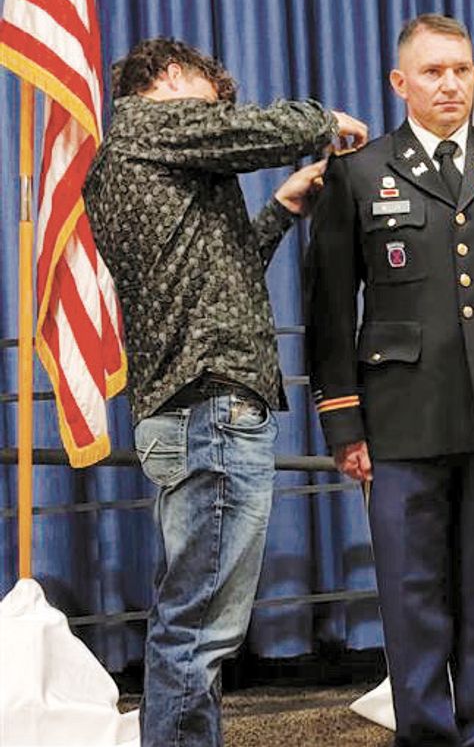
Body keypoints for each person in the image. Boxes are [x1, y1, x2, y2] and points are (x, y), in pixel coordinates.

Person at [82, 36, 368, 747]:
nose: (219, 116)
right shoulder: (150, 125)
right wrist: (322, 122)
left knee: (188, 620)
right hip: (210, 408)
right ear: (173, 77)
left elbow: (219, 278)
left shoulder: (139, 158)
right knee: (198, 629)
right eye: (213, 100)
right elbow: (249, 132)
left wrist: (278, 207)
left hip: (190, 405)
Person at [304, 13, 474, 747]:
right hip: (399, 418)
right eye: (432, 71)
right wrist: (343, 424)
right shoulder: (357, 173)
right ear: (400, 82)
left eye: (461, 68)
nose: (450, 83)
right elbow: (329, 310)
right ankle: (423, 733)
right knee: (412, 592)